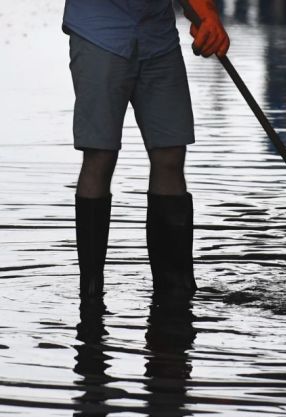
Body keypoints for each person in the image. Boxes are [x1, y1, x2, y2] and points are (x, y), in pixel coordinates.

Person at [62, 0, 229, 308]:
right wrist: (203, 13)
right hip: (99, 33)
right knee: (100, 155)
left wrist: (207, 17)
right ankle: (91, 292)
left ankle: (175, 288)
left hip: (158, 37)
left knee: (170, 154)